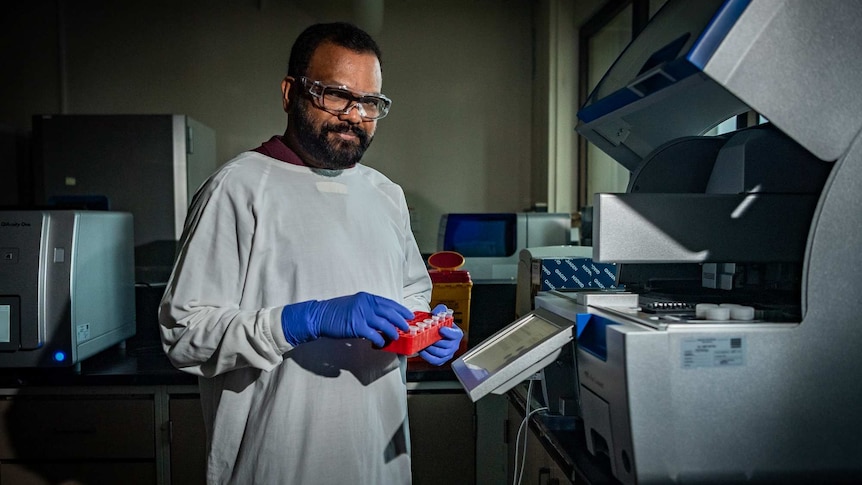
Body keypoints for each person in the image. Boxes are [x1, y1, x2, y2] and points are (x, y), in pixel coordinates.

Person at [159, 22, 463, 485]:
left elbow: (411, 293)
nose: (354, 115)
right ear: (289, 93)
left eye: (369, 103)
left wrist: (424, 328)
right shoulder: (237, 189)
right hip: (275, 463)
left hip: (379, 462)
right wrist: (304, 319)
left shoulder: (386, 194)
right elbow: (184, 334)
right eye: (336, 95)